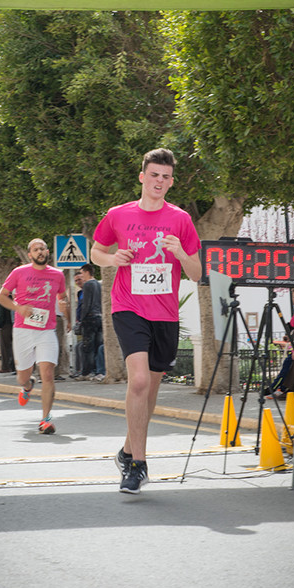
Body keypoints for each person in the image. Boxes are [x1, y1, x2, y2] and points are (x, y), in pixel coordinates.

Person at [91, 147, 201, 494]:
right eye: (154, 175)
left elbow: (198, 274)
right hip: (128, 306)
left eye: (166, 177)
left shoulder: (181, 219)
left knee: (150, 389)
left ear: (171, 182)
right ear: (142, 177)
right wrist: (113, 259)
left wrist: (180, 253)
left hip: (165, 313)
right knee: (138, 381)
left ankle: (127, 450)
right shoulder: (118, 215)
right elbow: (96, 252)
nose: (159, 181)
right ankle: (137, 465)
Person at [0, 238, 69, 434]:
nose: (40, 252)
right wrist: (18, 308)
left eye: (43, 249)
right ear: (30, 255)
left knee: (47, 374)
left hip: (46, 330)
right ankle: (27, 387)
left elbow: (62, 298)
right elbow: (2, 296)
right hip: (23, 330)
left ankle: (45, 419)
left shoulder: (57, 275)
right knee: (23, 377)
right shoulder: (19, 272)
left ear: (47, 252)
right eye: (36, 250)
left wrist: (67, 314)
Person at [79, 263, 104, 379]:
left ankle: (86, 372)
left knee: (87, 346)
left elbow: (86, 303)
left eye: (82, 273)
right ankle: (97, 370)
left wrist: (81, 319)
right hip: (99, 316)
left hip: (90, 318)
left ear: (87, 272)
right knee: (98, 345)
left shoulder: (88, 284)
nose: (81, 276)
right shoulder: (99, 284)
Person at [70, 269, 84, 378]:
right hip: (81, 323)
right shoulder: (80, 293)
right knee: (78, 346)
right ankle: (78, 370)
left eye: (80, 279)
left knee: (81, 346)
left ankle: (82, 370)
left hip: (89, 322)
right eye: (76, 281)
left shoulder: (90, 289)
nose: (78, 282)